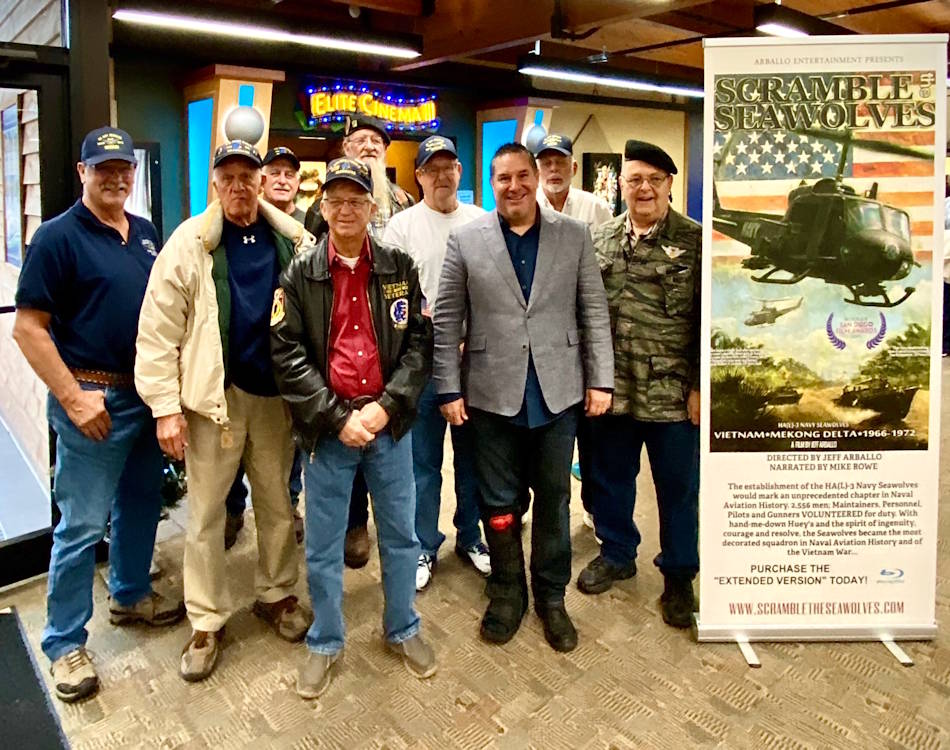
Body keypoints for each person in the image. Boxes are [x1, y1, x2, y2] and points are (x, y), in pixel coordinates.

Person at [12, 126, 185, 702]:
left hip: (144, 396)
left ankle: (131, 592)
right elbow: (28, 328)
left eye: (123, 168)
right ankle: (63, 644)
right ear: (83, 171)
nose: (115, 177)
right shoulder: (56, 238)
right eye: (102, 167)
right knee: (82, 525)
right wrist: (72, 397)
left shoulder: (143, 234)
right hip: (92, 399)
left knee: (140, 503)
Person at [135, 140, 314, 682]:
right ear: (215, 184)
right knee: (208, 515)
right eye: (228, 177)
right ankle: (207, 620)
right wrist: (166, 409)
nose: (239, 186)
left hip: (274, 399)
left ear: (262, 182)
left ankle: (276, 594)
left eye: (248, 176)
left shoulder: (291, 240)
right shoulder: (189, 244)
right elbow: (158, 331)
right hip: (215, 401)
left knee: (278, 505)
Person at [433, 143, 613, 652]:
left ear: (536, 178)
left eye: (520, 176)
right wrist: (448, 386)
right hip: (489, 395)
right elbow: (447, 319)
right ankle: (507, 591)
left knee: (555, 501)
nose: (512, 186)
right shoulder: (467, 239)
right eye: (501, 178)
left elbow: (593, 311)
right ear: (492, 184)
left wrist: (600, 380)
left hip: (558, 395)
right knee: (499, 504)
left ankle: (551, 597)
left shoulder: (574, 235)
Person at [271, 157, 436, 698]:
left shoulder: (398, 267)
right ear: (323, 207)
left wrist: (386, 408)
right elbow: (287, 354)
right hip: (329, 431)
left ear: (371, 207)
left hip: (388, 427)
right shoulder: (298, 274)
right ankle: (325, 639)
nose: (346, 209)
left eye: (356, 200)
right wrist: (338, 418)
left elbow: (418, 344)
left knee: (401, 535)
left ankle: (402, 626)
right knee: (321, 545)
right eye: (336, 200)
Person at [577, 139, 701, 630]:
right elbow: (585, 314)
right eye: (634, 179)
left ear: (669, 184)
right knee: (608, 477)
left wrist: (698, 387)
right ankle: (617, 551)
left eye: (654, 179)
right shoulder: (600, 240)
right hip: (614, 390)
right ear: (620, 186)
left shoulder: (696, 242)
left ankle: (678, 574)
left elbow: (707, 323)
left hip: (672, 392)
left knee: (677, 489)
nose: (644, 188)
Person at [304, 115, 415, 569]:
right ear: (345, 150)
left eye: (376, 141)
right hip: (336, 341)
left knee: (387, 451)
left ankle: (376, 528)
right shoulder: (321, 207)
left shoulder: (406, 201)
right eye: (359, 141)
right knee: (340, 446)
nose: (368, 146)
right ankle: (352, 526)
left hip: (389, 345)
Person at [382, 135, 489, 591]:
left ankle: (471, 536)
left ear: (460, 173)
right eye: (432, 169)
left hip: (475, 362)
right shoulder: (402, 228)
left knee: (474, 459)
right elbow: (392, 296)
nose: (442, 176)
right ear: (419, 176)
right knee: (423, 462)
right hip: (422, 365)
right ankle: (425, 543)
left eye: (450, 168)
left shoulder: (484, 221)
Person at [224, 145, 306, 549]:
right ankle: (232, 510)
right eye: (273, 172)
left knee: (278, 481)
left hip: (280, 378)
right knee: (219, 483)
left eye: (288, 173)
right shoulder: (204, 235)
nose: (280, 179)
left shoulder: (301, 236)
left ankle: (277, 588)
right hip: (225, 383)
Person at [534, 132, 614, 529]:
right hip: (545, 342)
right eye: (545, 162)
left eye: (559, 161)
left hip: (587, 332)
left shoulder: (597, 208)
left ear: (573, 167)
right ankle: (549, 512)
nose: (552, 169)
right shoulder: (524, 208)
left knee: (594, 438)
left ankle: (596, 510)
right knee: (551, 438)